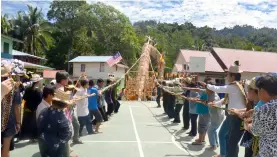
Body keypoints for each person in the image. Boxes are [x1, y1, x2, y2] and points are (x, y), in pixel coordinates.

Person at [205, 61, 247, 157]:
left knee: (232, 142)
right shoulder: (237, 86)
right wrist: (216, 103)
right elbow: (226, 99)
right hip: (231, 116)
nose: (226, 76)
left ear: (232, 76)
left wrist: (207, 85)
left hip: (236, 117)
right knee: (226, 136)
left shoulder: (234, 86)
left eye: (227, 74)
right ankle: (224, 154)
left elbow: (219, 89)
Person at [250, 74, 277, 157]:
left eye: (258, 90)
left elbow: (255, 131)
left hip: (268, 152)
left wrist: (248, 125)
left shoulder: (263, 109)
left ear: (262, 91)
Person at [1, 59, 24, 157]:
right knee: (5, 150)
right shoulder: (14, 87)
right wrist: (18, 122)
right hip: (8, 123)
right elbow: (17, 107)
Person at [20, 74, 43, 142]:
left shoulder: (28, 89)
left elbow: (24, 98)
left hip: (27, 108)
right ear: (38, 82)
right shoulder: (39, 90)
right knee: (34, 123)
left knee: (27, 122)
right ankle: (34, 137)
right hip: (35, 109)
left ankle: (26, 136)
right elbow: (40, 99)